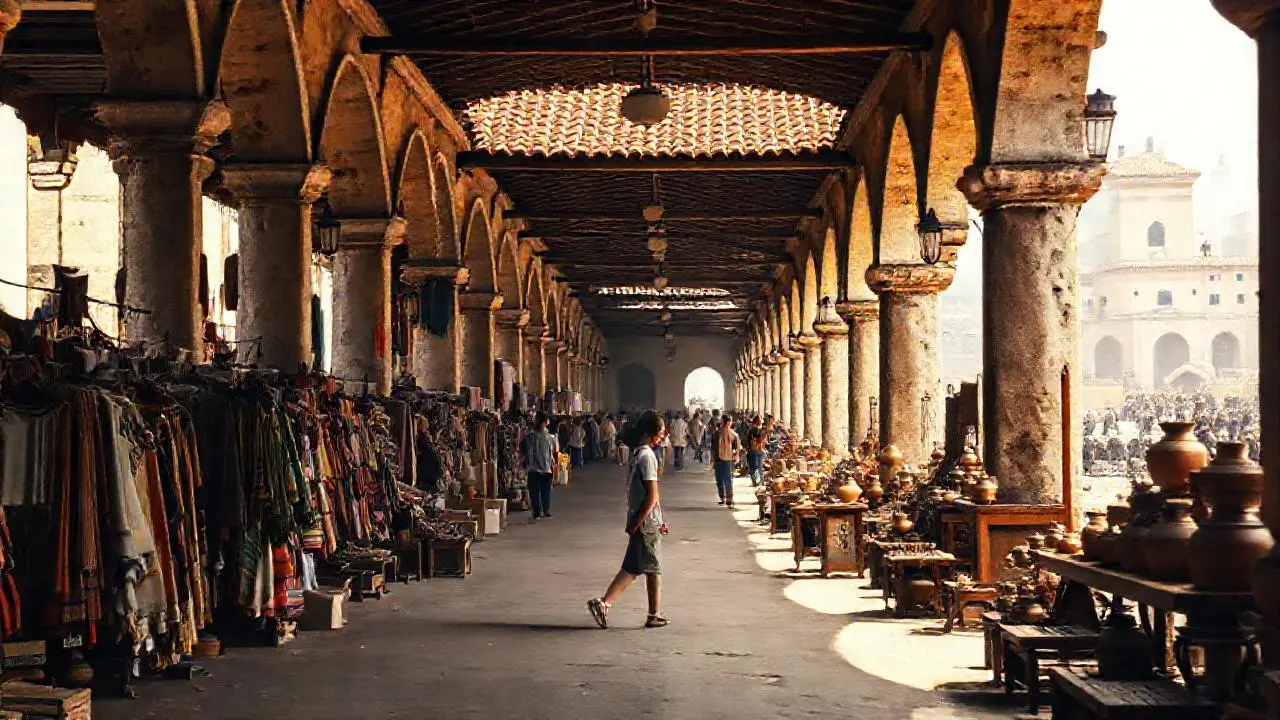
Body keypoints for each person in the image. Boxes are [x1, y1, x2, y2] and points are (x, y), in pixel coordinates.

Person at [587, 410, 669, 629]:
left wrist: (652, 519)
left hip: (642, 519)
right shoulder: (648, 457)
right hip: (645, 522)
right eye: (659, 432)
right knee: (647, 569)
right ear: (650, 433)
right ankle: (607, 604)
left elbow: (647, 494)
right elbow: (652, 494)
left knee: (637, 568)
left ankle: (649, 613)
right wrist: (642, 521)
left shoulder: (637, 454)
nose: (661, 436)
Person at [520, 412, 559, 520]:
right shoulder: (530, 437)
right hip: (534, 468)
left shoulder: (549, 437)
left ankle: (546, 510)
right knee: (535, 492)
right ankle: (537, 512)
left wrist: (553, 465)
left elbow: (553, 452)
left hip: (546, 469)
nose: (544, 424)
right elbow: (523, 450)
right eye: (543, 422)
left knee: (545, 491)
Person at [712, 414, 742, 508]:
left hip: (727, 460)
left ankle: (728, 499)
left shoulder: (733, 434)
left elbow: (736, 448)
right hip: (720, 459)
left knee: (725, 480)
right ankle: (723, 498)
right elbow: (713, 446)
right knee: (721, 480)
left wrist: (735, 456)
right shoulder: (717, 433)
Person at [745, 415, 767, 487]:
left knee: (757, 467)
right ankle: (758, 482)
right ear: (757, 420)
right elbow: (759, 439)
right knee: (756, 467)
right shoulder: (755, 428)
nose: (762, 419)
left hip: (756, 450)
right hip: (755, 450)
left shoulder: (755, 428)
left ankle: (758, 482)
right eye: (761, 418)